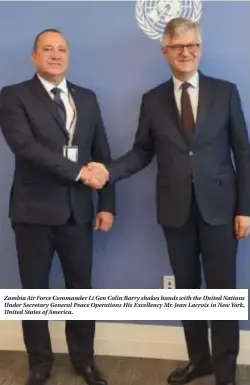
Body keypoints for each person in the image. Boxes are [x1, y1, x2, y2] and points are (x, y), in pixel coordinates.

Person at [85, 17, 250, 385]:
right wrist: (109, 171)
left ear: (200, 48)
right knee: (188, 290)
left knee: (223, 293)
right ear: (165, 53)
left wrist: (245, 208)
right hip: (175, 211)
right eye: (177, 47)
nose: (185, 53)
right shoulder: (153, 100)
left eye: (191, 45)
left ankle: (225, 371)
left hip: (221, 209)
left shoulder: (225, 92)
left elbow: (243, 150)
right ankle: (199, 360)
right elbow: (142, 152)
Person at [0, 28, 115, 385]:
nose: (55, 55)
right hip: (33, 212)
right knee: (35, 291)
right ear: (34, 56)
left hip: (78, 213)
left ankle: (85, 360)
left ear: (68, 56)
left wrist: (107, 204)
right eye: (47, 49)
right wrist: (80, 173)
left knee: (81, 289)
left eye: (62, 49)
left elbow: (102, 153)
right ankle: (39, 363)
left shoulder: (87, 98)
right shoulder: (13, 96)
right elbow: (26, 148)